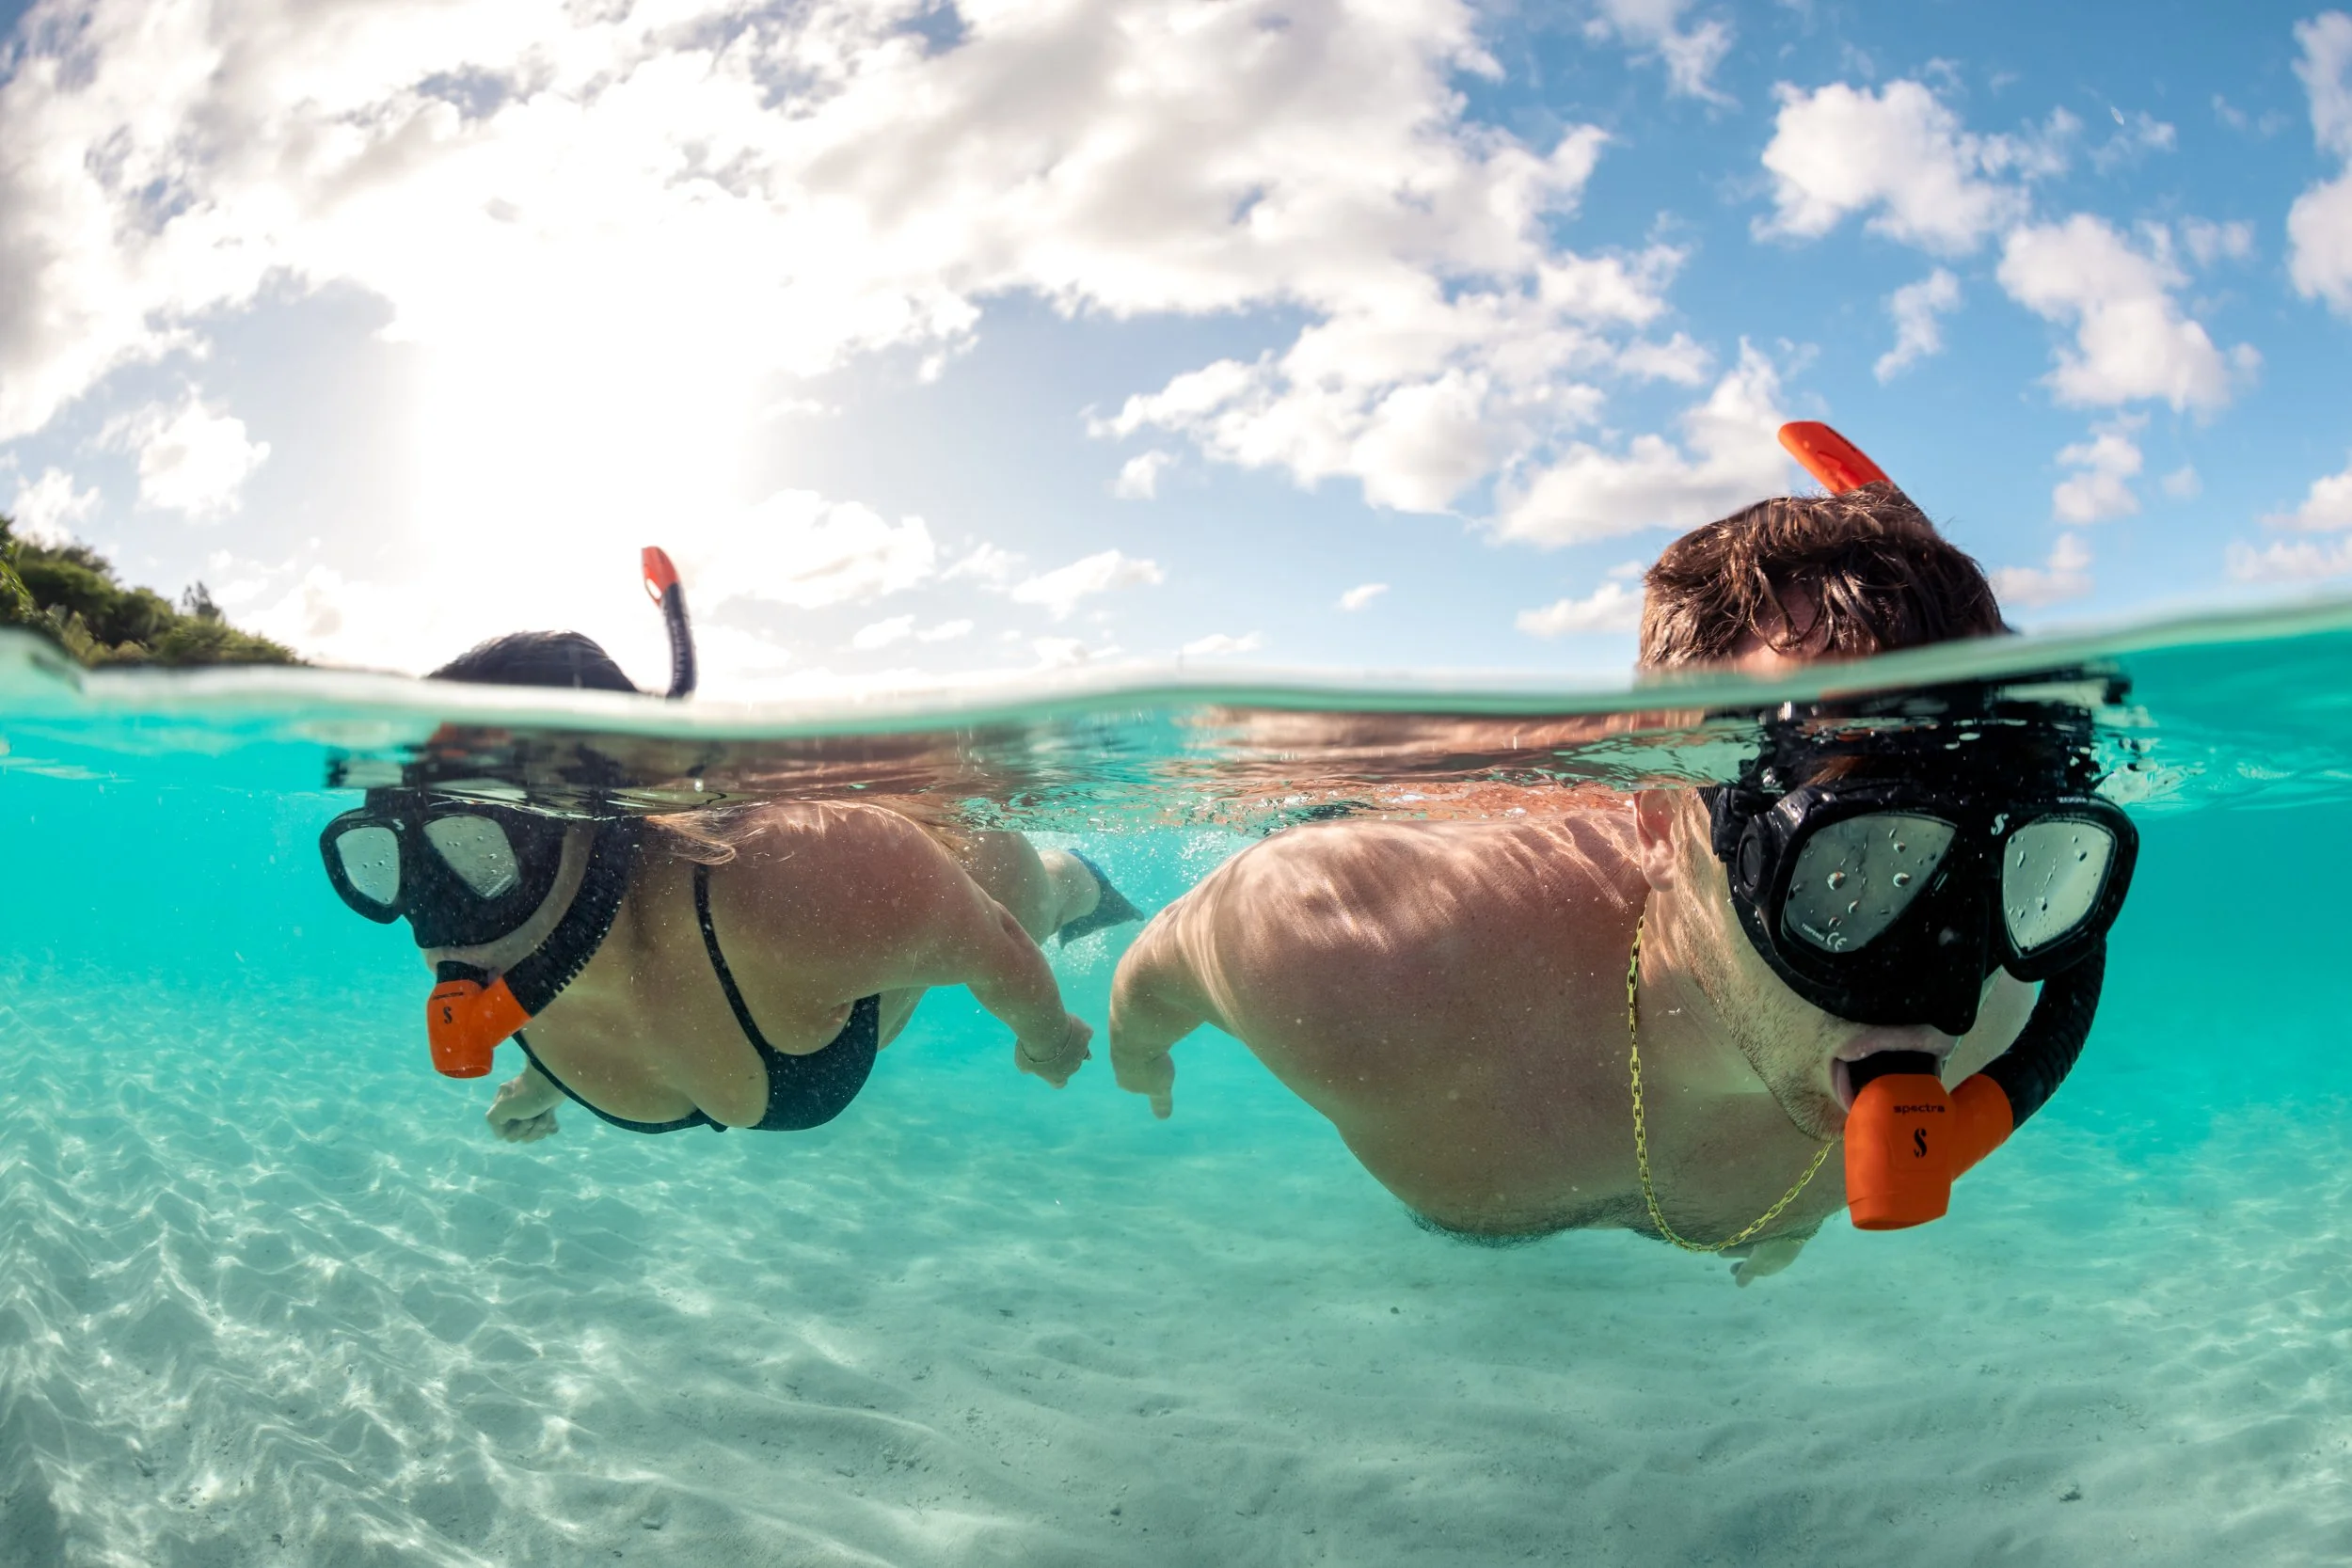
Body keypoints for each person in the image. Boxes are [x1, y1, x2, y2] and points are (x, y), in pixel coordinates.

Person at [1105, 424, 2136, 1282]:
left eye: (2008, 874)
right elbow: (1159, 964)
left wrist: (1786, 1222)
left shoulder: (2006, 991)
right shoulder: (1365, 956)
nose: (1941, 986)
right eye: (1849, 869)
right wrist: (1139, 1049)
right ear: (1655, 812)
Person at [321, 557, 1140, 1144]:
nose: (434, 924)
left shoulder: (803, 883)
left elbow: (995, 945)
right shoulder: (487, 925)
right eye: (382, 864)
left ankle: (1082, 882)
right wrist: (549, 1078)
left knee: (1029, 897)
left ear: (594, 819)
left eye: (472, 849)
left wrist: (1049, 1035)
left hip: (927, 919)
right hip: (782, 1005)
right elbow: (590, 981)